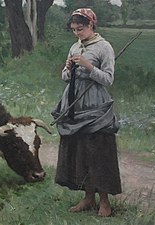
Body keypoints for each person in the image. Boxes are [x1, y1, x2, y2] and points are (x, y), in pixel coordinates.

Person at [51, 8, 122, 217]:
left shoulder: (104, 47)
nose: (76, 33)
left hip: (94, 105)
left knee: (98, 152)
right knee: (79, 151)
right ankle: (88, 198)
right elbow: (65, 77)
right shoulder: (75, 46)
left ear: (91, 25)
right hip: (74, 103)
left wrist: (89, 66)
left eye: (80, 29)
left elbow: (108, 79)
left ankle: (105, 202)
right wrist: (68, 70)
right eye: (73, 30)